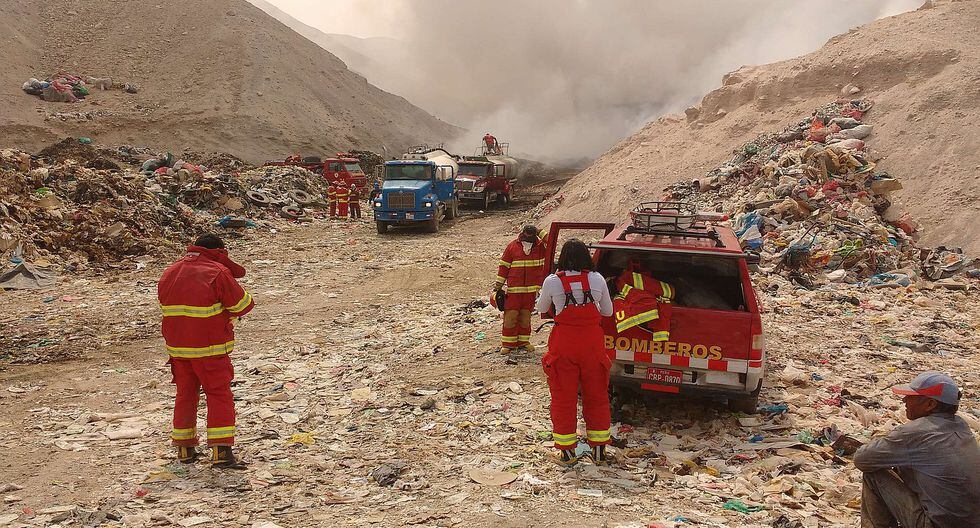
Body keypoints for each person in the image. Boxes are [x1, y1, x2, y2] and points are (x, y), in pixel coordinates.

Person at [158, 234, 254, 468]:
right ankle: (221, 452)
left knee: (185, 395)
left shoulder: (170, 272)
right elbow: (243, 305)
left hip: (178, 349)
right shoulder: (217, 272)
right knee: (218, 394)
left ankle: (184, 450)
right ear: (219, 251)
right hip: (210, 348)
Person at [853, 371, 980, 528]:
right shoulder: (961, 425)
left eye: (911, 397)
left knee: (873, 474)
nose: (904, 400)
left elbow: (862, 459)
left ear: (930, 404)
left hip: (935, 525)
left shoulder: (916, 431)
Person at [535, 239, 614, 466]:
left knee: (563, 398)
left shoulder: (552, 281)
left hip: (564, 346)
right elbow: (608, 311)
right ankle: (599, 451)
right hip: (592, 345)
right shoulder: (597, 279)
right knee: (597, 396)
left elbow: (541, 309)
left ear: (562, 258)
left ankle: (567, 453)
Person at [494, 226, 547, 354]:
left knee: (525, 317)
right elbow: (504, 266)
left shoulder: (541, 247)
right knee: (511, 316)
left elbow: (552, 241)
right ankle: (508, 344)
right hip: (514, 290)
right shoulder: (512, 247)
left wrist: (540, 231)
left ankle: (523, 342)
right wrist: (498, 286)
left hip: (530, 291)